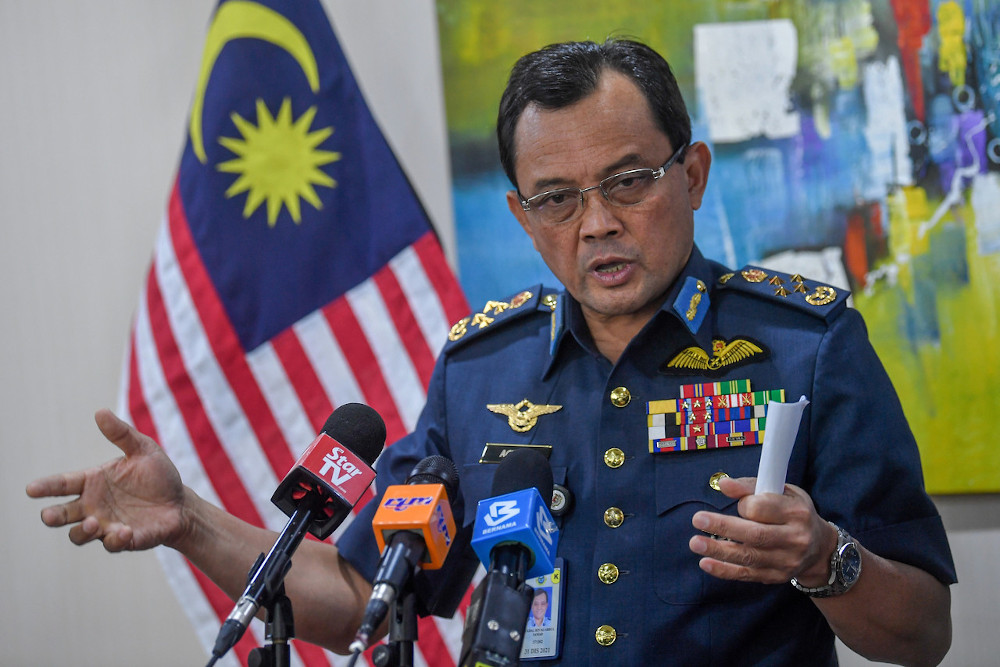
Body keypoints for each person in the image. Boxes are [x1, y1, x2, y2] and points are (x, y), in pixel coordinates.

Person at [28, 38, 955, 665]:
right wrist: (188, 517)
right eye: (557, 198)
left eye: (628, 182)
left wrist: (823, 556)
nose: (597, 223)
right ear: (521, 213)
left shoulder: (804, 345)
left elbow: (924, 632)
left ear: (694, 173)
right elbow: (356, 595)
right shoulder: (482, 370)